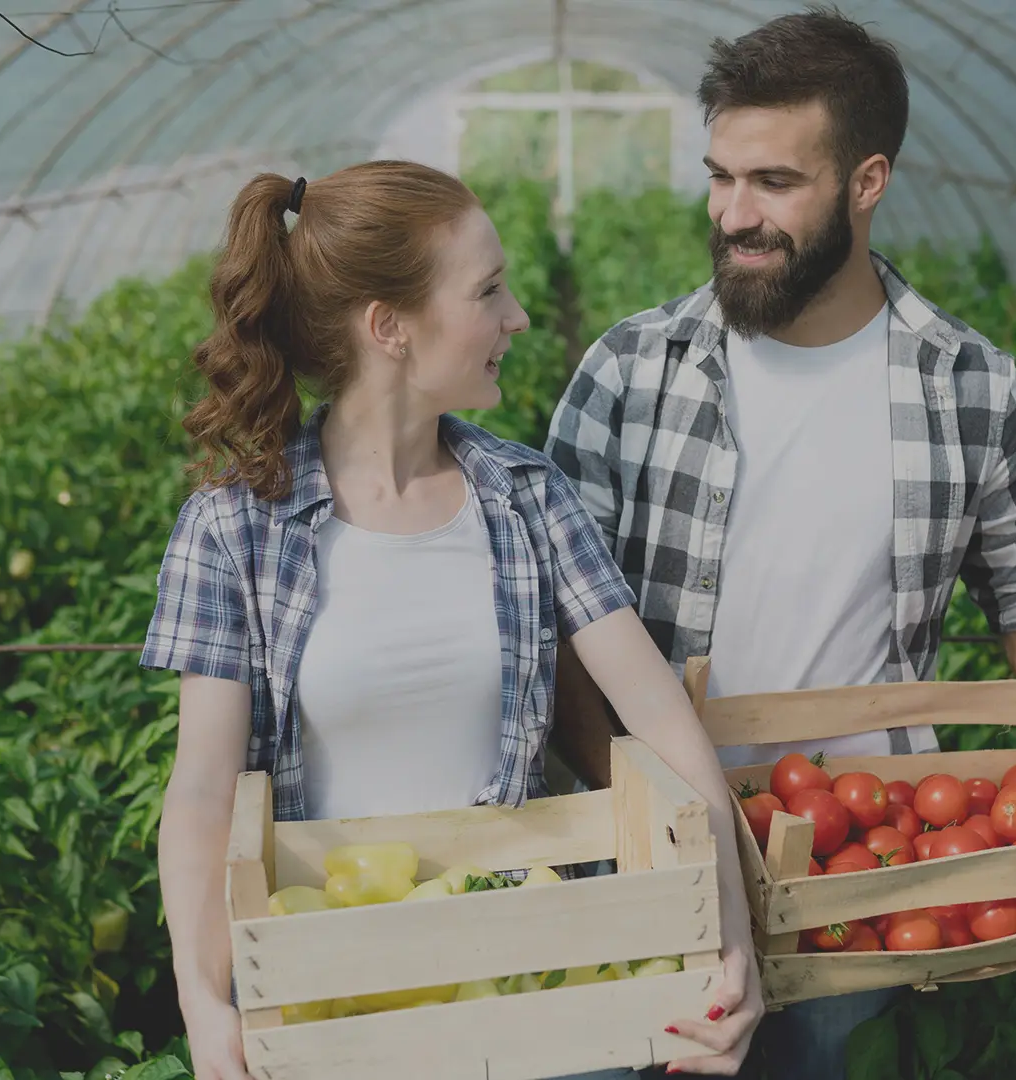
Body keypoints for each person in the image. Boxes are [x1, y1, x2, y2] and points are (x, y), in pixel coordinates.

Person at [543, 8, 1016, 1078]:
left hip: (865, 865)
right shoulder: (631, 370)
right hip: (652, 865)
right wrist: (638, 808)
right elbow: (562, 633)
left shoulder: (967, 385)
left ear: (866, 180)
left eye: (773, 184)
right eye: (720, 177)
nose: (733, 215)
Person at [140, 160, 762, 1080]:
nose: (515, 316)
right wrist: (206, 1005)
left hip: (530, 985)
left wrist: (731, 935)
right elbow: (201, 792)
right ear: (390, 328)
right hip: (336, 1000)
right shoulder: (235, 528)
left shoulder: (525, 498)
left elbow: (660, 718)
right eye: (488, 291)